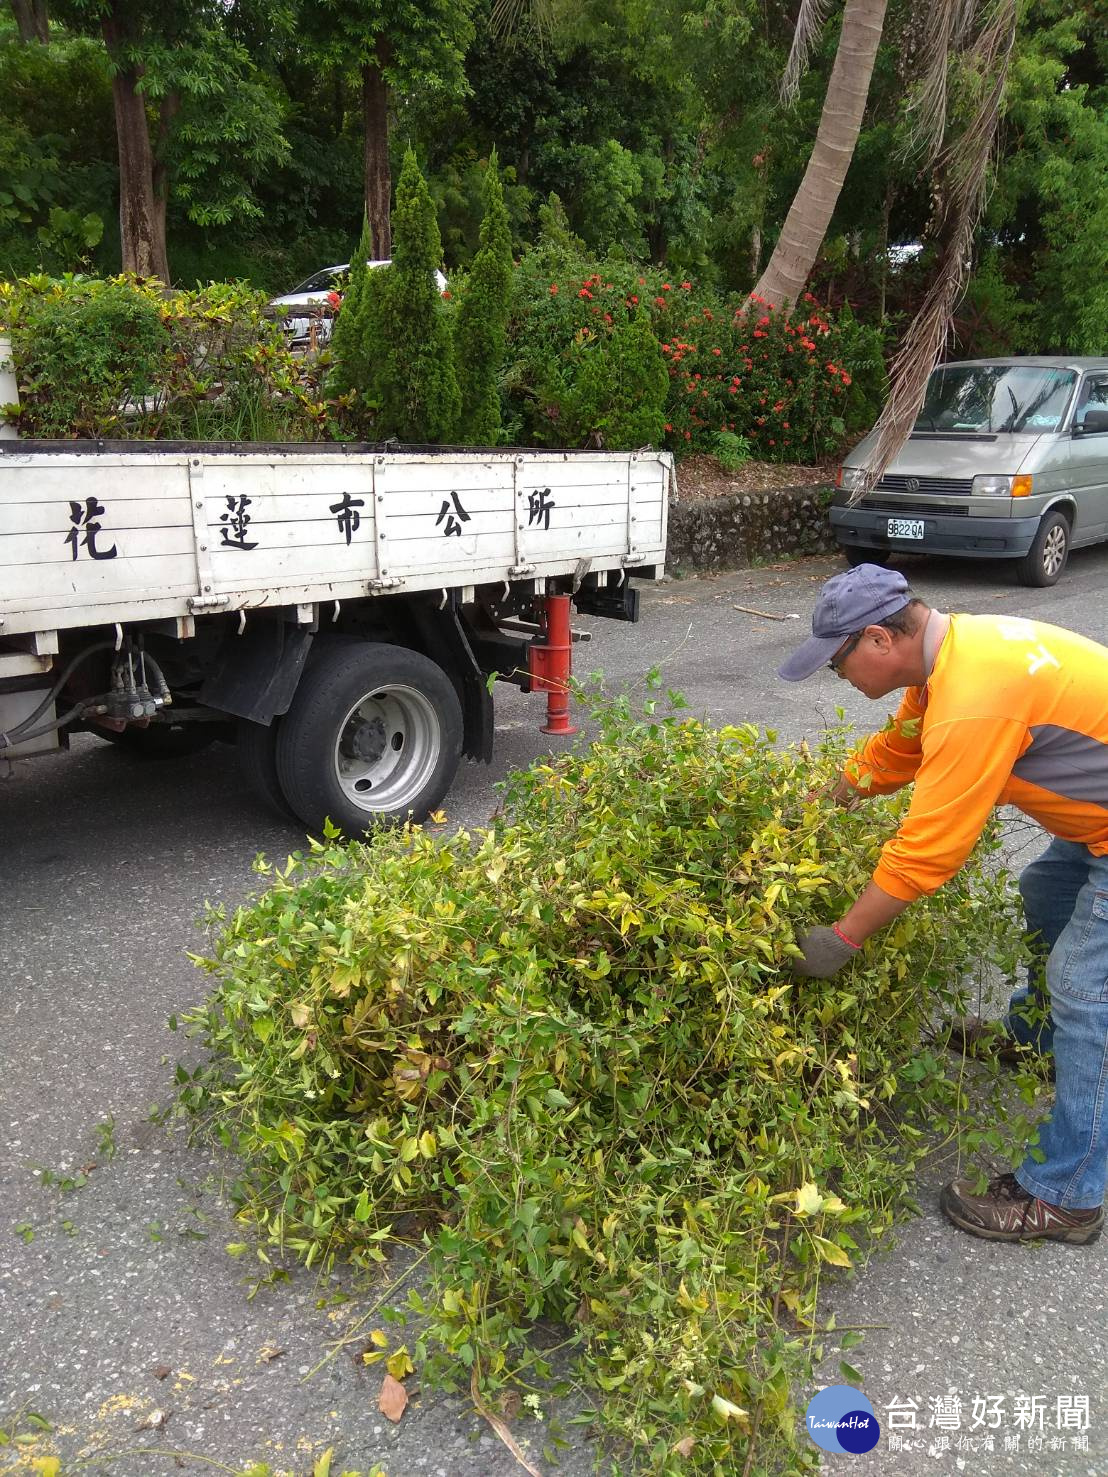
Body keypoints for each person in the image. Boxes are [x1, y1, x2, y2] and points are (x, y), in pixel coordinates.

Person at [778, 562, 1108, 1246]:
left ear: (877, 639)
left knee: (1083, 984)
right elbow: (900, 752)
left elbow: (926, 850)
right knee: (1042, 892)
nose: (842, 680)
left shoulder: (973, 695)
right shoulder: (949, 660)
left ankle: (1069, 1195)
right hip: (1096, 820)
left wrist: (841, 938)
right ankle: (1037, 1039)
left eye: (838, 666)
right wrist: (817, 805)